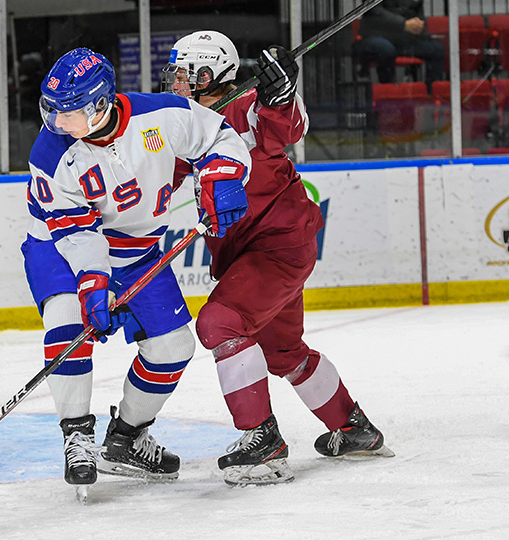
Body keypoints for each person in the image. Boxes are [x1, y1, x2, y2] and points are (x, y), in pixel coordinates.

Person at [162, 31, 394, 487]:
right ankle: (354, 430)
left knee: (219, 324)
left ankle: (262, 444)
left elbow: (288, 126)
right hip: (250, 254)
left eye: (190, 74)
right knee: (283, 352)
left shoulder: (250, 104)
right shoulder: (181, 122)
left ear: (214, 74)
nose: (180, 83)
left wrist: (281, 93)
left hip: (277, 247)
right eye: (176, 73)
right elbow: (158, 176)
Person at [23, 48, 252, 492]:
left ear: (100, 104)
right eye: (51, 111)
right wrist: (93, 281)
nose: (56, 123)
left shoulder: (162, 115)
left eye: (68, 114)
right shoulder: (50, 153)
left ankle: (126, 437)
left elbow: (220, 138)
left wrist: (223, 176)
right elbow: (76, 235)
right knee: (68, 322)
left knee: (174, 346)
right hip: (58, 244)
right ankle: (77, 436)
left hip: (138, 249)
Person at [355, 0, 445, 84]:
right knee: (385, 49)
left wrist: (419, 26)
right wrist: (403, 24)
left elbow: (418, 13)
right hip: (377, 35)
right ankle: (387, 92)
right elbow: (374, 11)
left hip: (404, 39)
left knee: (436, 50)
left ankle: (432, 95)